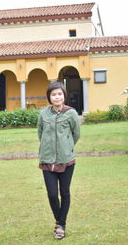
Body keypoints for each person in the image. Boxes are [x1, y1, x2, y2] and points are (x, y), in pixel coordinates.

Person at [37, 81, 80, 240]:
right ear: (49, 97)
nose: (57, 97)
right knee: (53, 194)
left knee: (65, 192)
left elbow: (76, 134)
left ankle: (60, 225)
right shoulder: (43, 114)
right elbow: (40, 133)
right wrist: (49, 147)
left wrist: (66, 147)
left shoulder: (71, 113)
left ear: (64, 96)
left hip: (66, 159)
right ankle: (59, 221)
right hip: (47, 159)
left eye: (60, 94)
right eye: (54, 94)